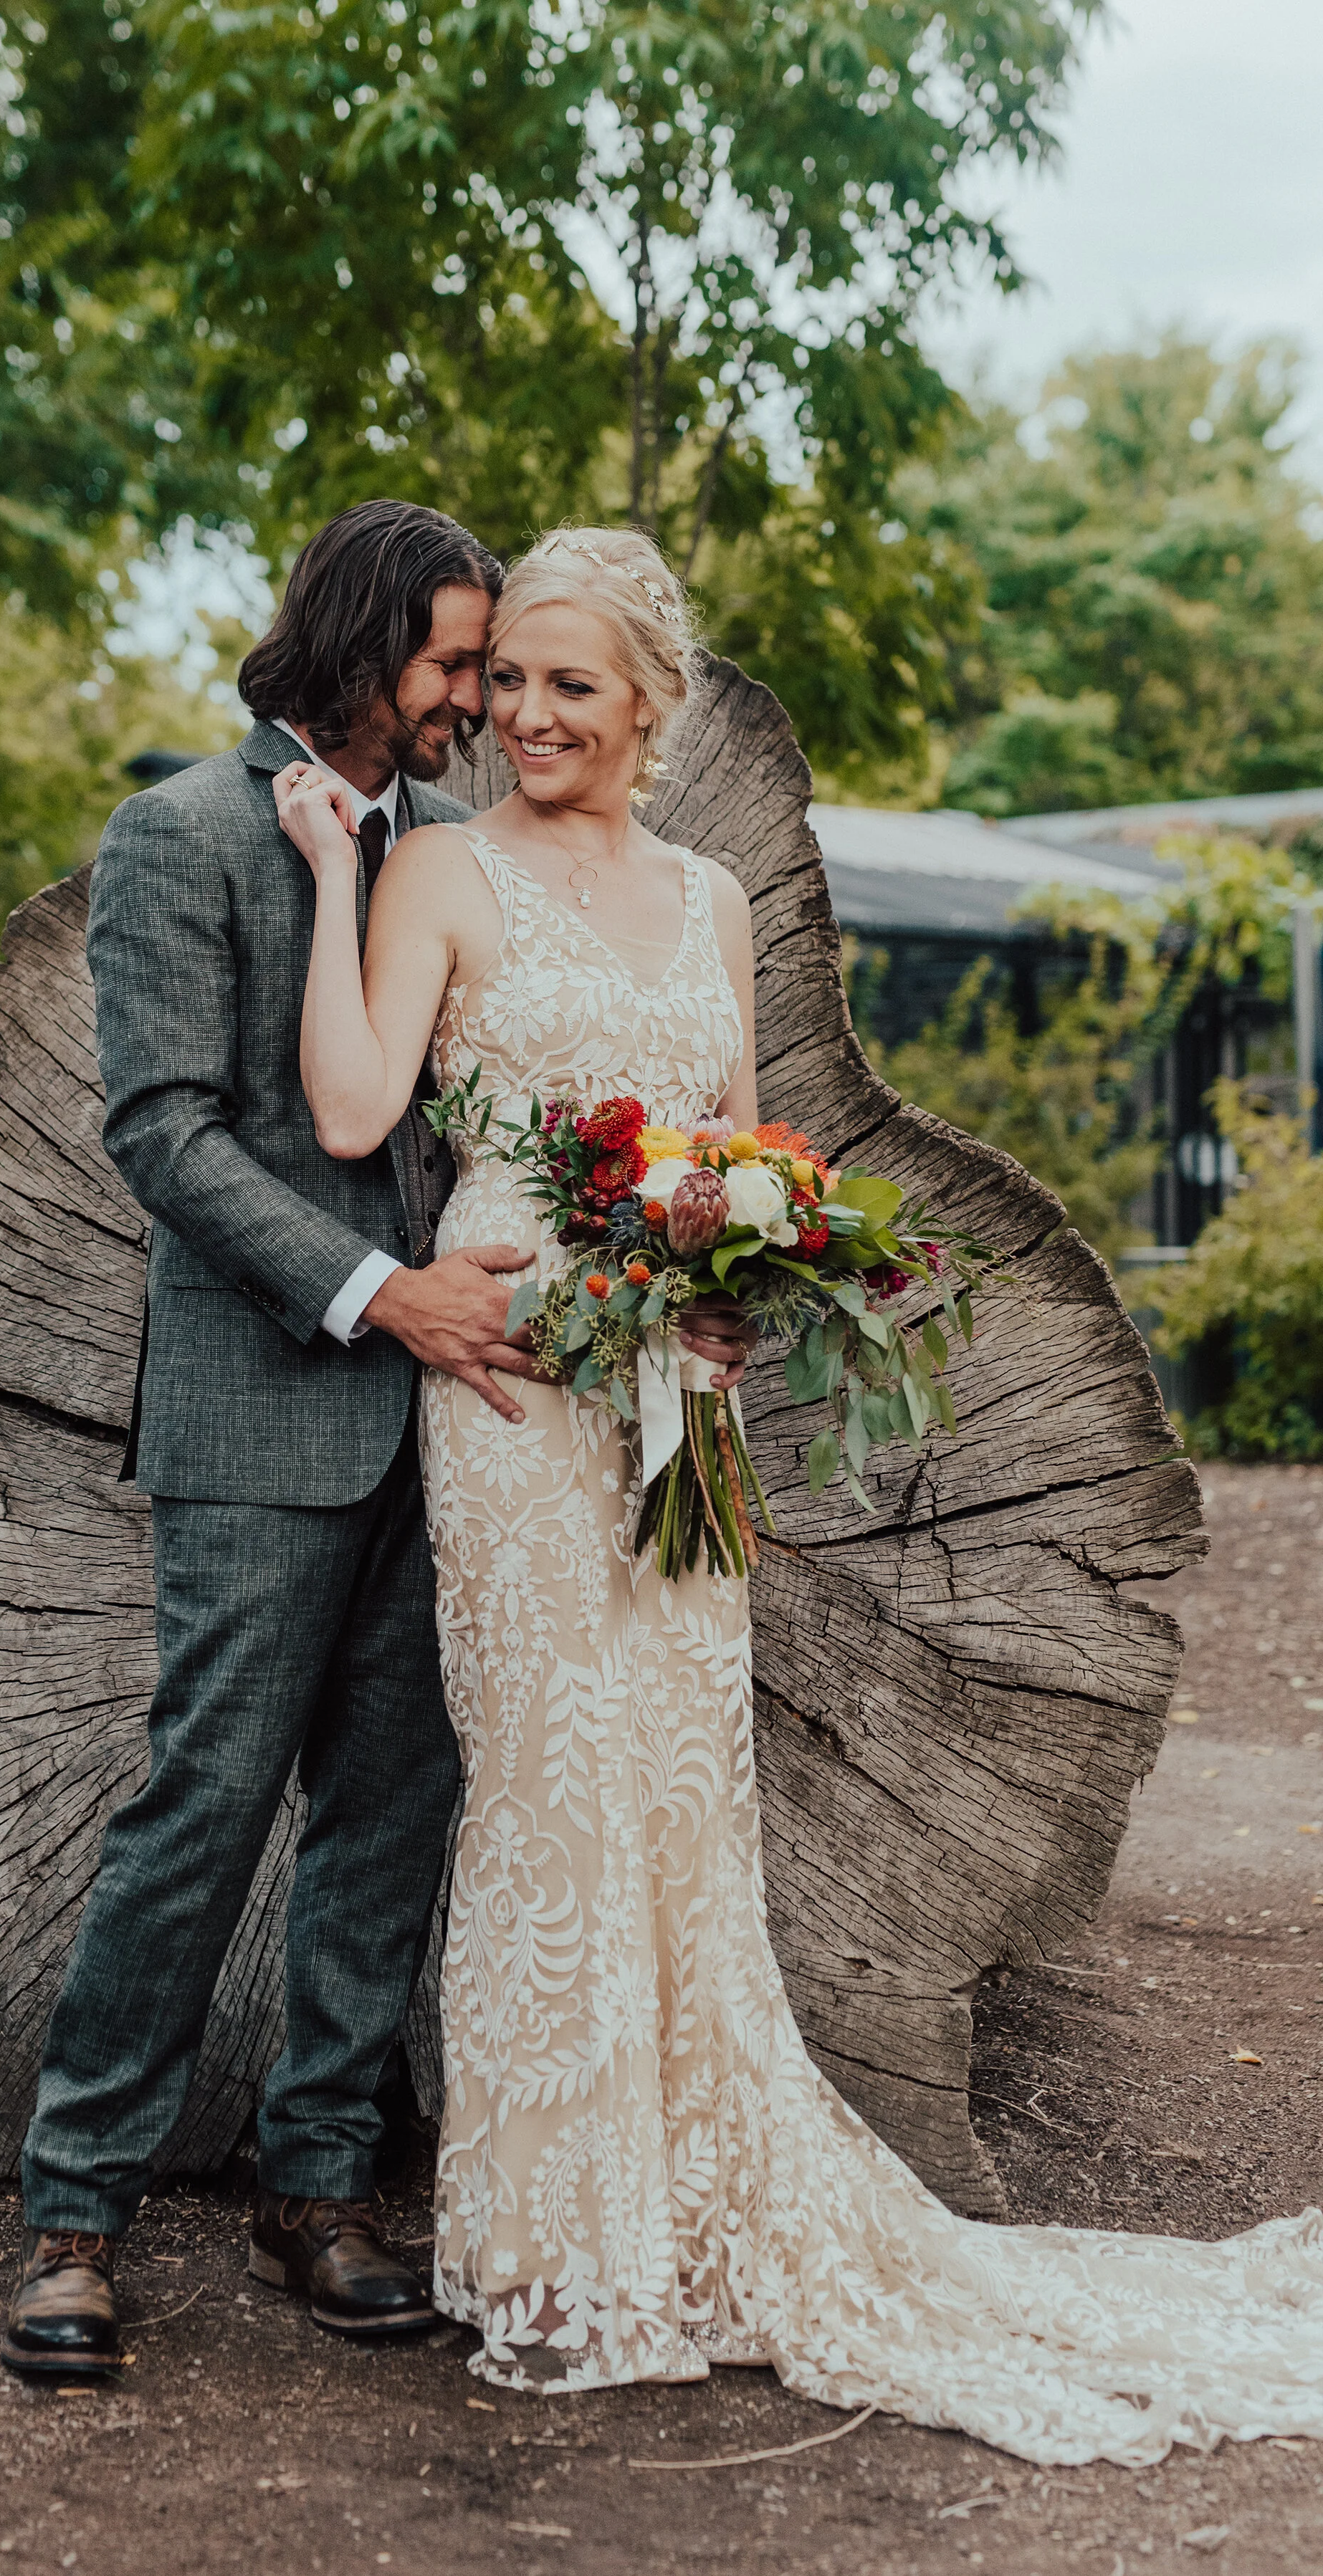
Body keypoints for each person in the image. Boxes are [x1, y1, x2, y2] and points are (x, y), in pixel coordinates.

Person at [274, 524, 1323, 2461]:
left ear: (651, 703)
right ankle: (562, 2245)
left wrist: (742, 1273)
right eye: (507, 684)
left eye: (569, 686)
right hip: (513, 1387)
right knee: (555, 1775)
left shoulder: (701, 897)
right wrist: (338, 879)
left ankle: (699, 2211)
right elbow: (351, 1111)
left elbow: (740, 1137)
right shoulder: (433, 862)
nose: (525, 716)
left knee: (679, 1778)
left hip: (680, 1385)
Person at [1, 499, 748, 2378]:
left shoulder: (452, 850)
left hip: (487, 1415)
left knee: (392, 1824)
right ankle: (72, 2212)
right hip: (275, 1410)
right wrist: (373, 1292)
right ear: (363, 647)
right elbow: (166, 1136)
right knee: (203, 1809)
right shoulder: (174, 835)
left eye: (501, 670)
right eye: (454, 664)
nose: (477, 701)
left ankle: (323, 2184)